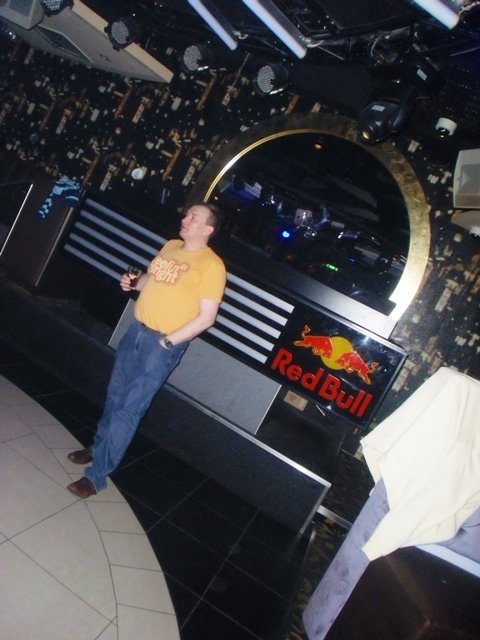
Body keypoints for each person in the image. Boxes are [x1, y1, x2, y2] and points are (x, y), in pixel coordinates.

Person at [66, 202, 226, 498]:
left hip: (162, 345)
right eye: (186, 214)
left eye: (194, 217)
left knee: (129, 409)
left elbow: (207, 317)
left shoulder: (212, 266)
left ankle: (96, 476)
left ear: (208, 228)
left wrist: (169, 341)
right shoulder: (171, 246)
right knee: (115, 397)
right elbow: (151, 282)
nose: (186, 218)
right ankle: (97, 448)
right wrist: (134, 282)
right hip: (136, 331)